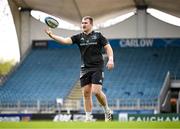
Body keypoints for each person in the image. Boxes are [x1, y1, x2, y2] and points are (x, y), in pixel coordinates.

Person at [45, 16, 114, 122]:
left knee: (96, 91)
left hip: (97, 67)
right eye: (82, 23)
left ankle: (107, 110)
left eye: (85, 23)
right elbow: (65, 41)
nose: (83, 25)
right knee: (86, 93)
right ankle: (88, 118)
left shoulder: (98, 36)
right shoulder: (78, 37)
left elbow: (108, 47)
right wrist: (51, 35)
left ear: (91, 24)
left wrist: (110, 59)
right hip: (84, 69)